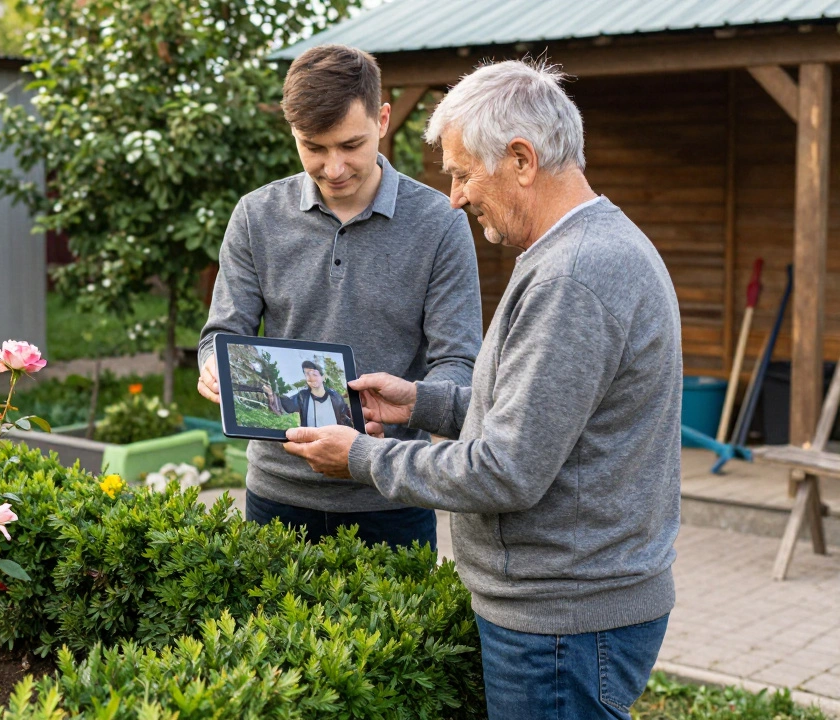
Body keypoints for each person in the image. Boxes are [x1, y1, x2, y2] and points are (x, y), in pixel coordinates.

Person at [282, 59, 682, 720]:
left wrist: (358, 457)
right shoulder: (580, 251)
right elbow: (539, 419)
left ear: (521, 159)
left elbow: (505, 470)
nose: (457, 197)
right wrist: (423, 402)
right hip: (570, 613)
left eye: (464, 173)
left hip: (564, 621)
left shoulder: (575, 275)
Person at [196, 43, 483, 551]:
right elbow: (223, 333)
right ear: (293, 133)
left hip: (390, 496)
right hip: (276, 495)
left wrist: (410, 405)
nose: (333, 168)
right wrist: (214, 364)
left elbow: (458, 362)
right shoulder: (254, 215)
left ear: (384, 119)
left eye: (350, 145)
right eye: (314, 147)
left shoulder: (441, 225)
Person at [261, 360, 353, 428]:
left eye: (314, 374)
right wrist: (271, 394)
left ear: (323, 377)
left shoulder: (336, 397)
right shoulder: (302, 396)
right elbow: (286, 406)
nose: (311, 378)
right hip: (308, 443)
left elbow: (345, 418)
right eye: (307, 374)